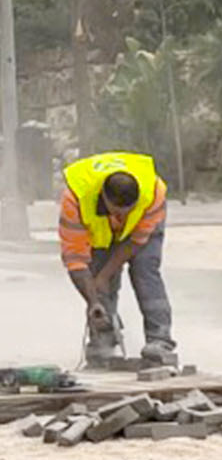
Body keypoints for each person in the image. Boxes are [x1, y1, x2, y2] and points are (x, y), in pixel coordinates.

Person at [57, 151, 175, 365]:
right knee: (96, 276)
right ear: (103, 197)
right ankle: (103, 337)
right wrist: (93, 300)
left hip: (142, 231)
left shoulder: (153, 195)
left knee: (144, 270)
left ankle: (160, 340)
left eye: (128, 213)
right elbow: (75, 259)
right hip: (98, 234)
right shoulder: (75, 199)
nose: (122, 219)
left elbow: (135, 242)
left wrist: (104, 276)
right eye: (117, 213)